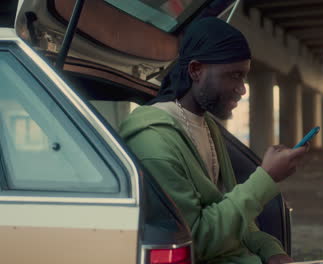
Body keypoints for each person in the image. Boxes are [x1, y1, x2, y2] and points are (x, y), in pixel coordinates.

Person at [120, 17, 308, 264]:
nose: (242, 89)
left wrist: (272, 251)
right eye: (234, 76)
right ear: (196, 70)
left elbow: (236, 217)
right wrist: (266, 178)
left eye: (244, 77)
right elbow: (196, 241)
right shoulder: (153, 141)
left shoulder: (209, 127)